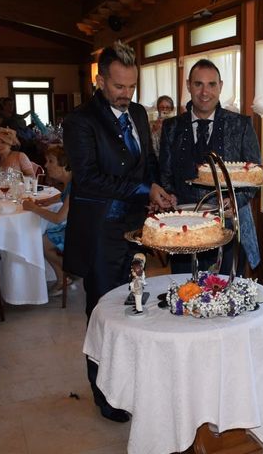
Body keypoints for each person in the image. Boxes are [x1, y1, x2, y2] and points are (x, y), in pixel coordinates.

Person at [62, 40, 172, 423]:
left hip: (136, 228)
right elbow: (90, 179)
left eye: (131, 87)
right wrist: (145, 190)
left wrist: (158, 188)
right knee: (103, 312)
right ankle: (104, 392)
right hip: (100, 232)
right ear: (100, 80)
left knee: (135, 307)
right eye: (118, 86)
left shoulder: (139, 114)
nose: (126, 95)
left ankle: (130, 380)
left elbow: (149, 163)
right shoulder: (79, 122)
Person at [159, 59, 262, 276]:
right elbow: (166, 175)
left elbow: (255, 175)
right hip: (185, 229)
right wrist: (170, 195)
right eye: (198, 84)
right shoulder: (171, 128)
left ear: (221, 86)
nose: (205, 92)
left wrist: (236, 200)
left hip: (228, 229)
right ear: (188, 86)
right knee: (185, 290)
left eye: (211, 85)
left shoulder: (241, 125)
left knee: (226, 293)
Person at [21, 145, 72, 296]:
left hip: (80, 232)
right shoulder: (71, 181)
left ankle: (72, 273)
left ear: (64, 165)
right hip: (78, 225)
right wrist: (47, 201)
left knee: (42, 241)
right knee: (43, 237)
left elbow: (58, 218)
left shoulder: (75, 185)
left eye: (51, 161)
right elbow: (63, 195)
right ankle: (64, 278)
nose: (45, 165)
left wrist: (33, 208)